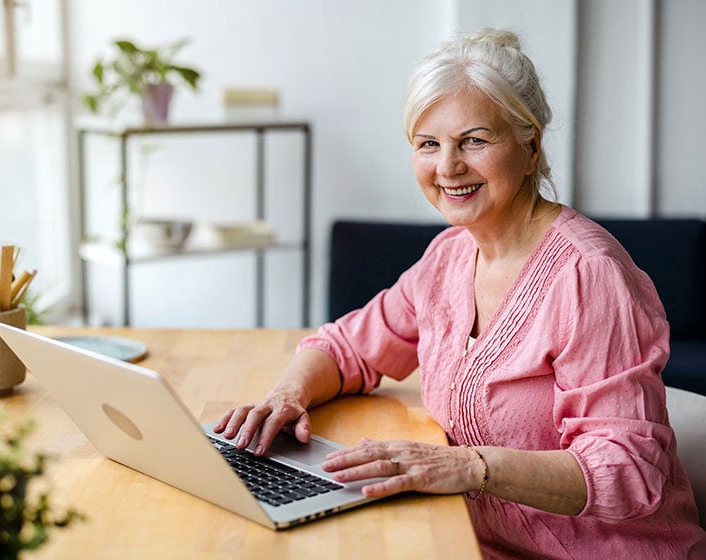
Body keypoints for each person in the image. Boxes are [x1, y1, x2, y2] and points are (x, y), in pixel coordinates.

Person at [214, 28, 706, 558]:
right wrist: (287, 397)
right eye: (429, 144)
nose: (448, 166)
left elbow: (628, 471)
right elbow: (347, 347)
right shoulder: (449, 256)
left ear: (530, 143)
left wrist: (468, 466)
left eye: (474, 140)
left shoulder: (590, 276)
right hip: (472, 543)